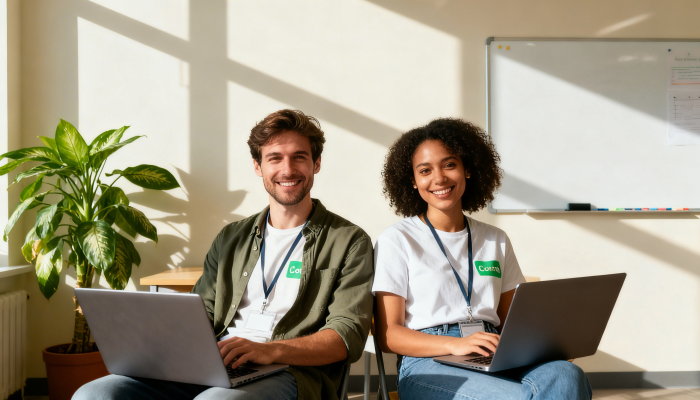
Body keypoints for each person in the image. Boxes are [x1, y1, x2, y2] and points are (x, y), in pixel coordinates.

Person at [74, 110, 374, 400]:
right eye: (274, 158)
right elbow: (200, 314)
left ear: (316, 163)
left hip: (291, 372)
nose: (287, 169)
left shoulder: (349, 241)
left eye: (299, 157)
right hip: (217, 364)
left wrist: (270, 350)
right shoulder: (231, 238)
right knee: (94, 394)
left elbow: (346, 335)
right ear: (258, 166)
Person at [372, 118, 592, 400]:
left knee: (566, 376)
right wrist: (455, 344)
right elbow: (389, 335)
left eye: (449, 164)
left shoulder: (495, 239)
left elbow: (514, 323)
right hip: (429, 362)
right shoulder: (398, 239)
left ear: (468, 170)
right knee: (520, 397)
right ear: (413, 182)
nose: (439, 178)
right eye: (424, 170)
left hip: (492, 349)